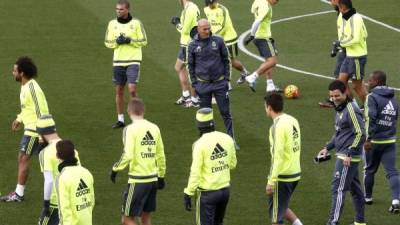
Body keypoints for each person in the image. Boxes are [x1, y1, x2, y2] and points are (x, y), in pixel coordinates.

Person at [0, 56, 50, 202]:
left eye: (15, 71)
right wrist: (19, 119)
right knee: (44, 161)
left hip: (35, 130)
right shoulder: (25, 86)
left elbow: (42, 110)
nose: (12, 73)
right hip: (31, 128)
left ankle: (19, 194)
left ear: (22, 73)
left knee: (24, 158)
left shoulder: (32, 87)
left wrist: (41, 134)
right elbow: (28, 108)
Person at [110, 98, 166, 225]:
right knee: (145, 217)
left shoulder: (130, 129)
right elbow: (161, 155)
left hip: (138, 180)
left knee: (126, 219)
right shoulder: (154, 128)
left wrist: (115, 169)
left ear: (129, 112)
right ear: (143, 111)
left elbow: (128, 154)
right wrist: (161, 176)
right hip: (152, 179)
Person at [318, 80, 366, 225]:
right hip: (344, 154)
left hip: (347, 156)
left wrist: (350, 153)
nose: (333, 99)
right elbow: (339, 132)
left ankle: (333, 222)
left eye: (337, 96)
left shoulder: (351, 109)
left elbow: (361, 133)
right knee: (356, 191)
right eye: (331, 96)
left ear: (346, 92)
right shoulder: (340, 108)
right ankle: (360, 222)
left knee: (338, 189)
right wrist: (328, 147)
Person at [188, 19, 238, 148]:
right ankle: (203, 142)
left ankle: (232, 141)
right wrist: (194, 83)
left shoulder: (218, 40)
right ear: (198, 29)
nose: (207, 31)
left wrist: (227, 79)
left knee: (225, 113)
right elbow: (190, 65)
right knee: (204, 115)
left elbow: (226, 60)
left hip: (220, 84)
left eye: (208, 28)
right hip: (203, 85)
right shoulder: (192, 45)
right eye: (204, 29)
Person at [183, 107, 237, 225]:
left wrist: (188, 192)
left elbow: (195, 172)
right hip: (225, 191)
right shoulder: (227, 138)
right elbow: (233, 164)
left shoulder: (199, 144)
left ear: (199, 125)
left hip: (207, 194)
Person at [105, 0, 148, 128]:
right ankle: (121, 119)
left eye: (121, 9)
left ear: (127, 9)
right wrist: (117, 42)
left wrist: (130, 41)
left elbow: (144, 41)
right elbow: (107, 42)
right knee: (119, 91)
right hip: (118, 61)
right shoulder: (112, 24)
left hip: (133, 60)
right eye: (117, 9)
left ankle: (138, 118)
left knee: (132, 89)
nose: (118, 11)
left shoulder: (136, 23)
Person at [363, 71, 400, 213]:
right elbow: (395, 116)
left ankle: (368, 197)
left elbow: (370, 118)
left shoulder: (371, 97)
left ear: (377, 81)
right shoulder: (393, 98)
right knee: (392, 172)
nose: (368, 82)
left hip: (375, 141)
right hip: (390, 140)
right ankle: (396, 200)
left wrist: (368, 139)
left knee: (370, 170)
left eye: (371, 80)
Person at [264, 93, 303, 225]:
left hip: (282, 176)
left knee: (276, 217)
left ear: (269, 107)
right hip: (295, 173)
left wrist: (271, 181)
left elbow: (277, 156)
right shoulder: (293, 120)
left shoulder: (276, 127)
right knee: (281, 206)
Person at [36, 114, 81, 225]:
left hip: (55, 202)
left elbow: (49, 180)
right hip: (73, 200)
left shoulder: (45, 152)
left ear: (41, 133)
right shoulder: (71, 148)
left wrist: (46, 204)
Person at [203, 0, 250, 84]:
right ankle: (244, 73)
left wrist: (212, 36)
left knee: (229, 61)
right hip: (216, 39)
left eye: (212, 3)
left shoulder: (222, 10)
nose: (211, 5)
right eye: (209, 3)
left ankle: (228, 82)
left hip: (229, 39)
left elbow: (224, 26)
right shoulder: (206, 9)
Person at [333, 0, 368, 105]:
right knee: (340, 82)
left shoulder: (355, 19)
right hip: (349, 55)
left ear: (343, 7)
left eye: (338, 6)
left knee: (357, 86)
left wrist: (341, 43)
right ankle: (352, 107)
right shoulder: (343, 16)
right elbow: (365, 33)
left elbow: (355, 38)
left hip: (357, 56)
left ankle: (369, 109)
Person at [243, 0, 281, 93]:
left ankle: (270, 84)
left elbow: (252, 10)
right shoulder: (265, 6)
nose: (277, 1)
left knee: (268, 61)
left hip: (259, 37)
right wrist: (251, 35)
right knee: (273, 61)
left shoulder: (258, 1)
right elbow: (257, 21)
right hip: (263, 37)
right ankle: (252, 77)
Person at [56, 140, 94, 225]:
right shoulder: (86, 172)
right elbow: (91, 200)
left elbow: (64, 209)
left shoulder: (62, 177)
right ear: (74, 154)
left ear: (58, 156)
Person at [171, 0, 200, 107]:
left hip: (189, 45)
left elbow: (185, 30)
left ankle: (194, 99)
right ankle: (186, 95)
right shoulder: (188, 8)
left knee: (192, 73)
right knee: (178, 67)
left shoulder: (190, 9)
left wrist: (177, 24)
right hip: (185, 44)